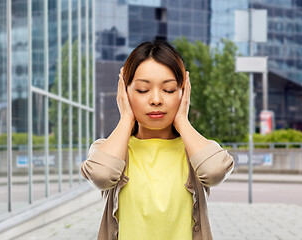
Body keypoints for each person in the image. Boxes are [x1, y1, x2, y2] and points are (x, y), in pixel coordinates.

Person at [81, 40, 234, 240]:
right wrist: (126, 117)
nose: (155, 100)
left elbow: (215, 172)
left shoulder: (195, 151)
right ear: (125, 92)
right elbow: (101, 175)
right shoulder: (110, 150)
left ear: (183, 92)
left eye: (169, 90)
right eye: (143, 90)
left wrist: (181, 120)